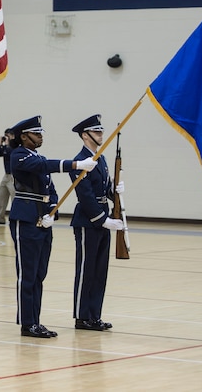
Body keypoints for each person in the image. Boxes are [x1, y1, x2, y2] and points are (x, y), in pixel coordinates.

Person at [9, 115, 97, 339]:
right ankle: (27, 323)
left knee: (39, 273)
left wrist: (53, 210)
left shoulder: (38, 156)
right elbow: (42, 166)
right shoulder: (18, 155)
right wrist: (75, 164)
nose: (40, 138)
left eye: (41, 134)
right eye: (36, 134)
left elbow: (50, 187)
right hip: (26, 218)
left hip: (42, 220)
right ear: (24, 136)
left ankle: (35, 320)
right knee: (27, 275)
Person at [69, 115, 124, 331]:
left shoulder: (100, 159)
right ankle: (82, 317)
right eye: (97, 132)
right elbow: (86, 195)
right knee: (86, 270)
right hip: (88, 221)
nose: (101, 135)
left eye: (101, 131)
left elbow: (104, 189)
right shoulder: (80, 161)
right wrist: (103, 220)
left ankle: (94, 315)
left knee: (100, 270)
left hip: (104, 218)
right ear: (85, 135)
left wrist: (115, 192)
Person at [0, 128, 16, 225]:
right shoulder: (5, 147)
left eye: (8, 135)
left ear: (13, 136)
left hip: (14, 176)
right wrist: (1, 144)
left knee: (14, 198)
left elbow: (11, 153)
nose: (7, 137)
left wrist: (9, 143)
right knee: (1, 196)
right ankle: (0, 218)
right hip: (6, 176)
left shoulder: (15, 147)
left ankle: (14, 217)